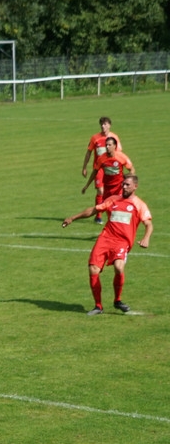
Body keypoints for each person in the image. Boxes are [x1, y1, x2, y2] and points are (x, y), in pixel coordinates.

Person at [61, 174, 152, 315]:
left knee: (119, 267)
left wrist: (146, 238)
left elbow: (148, 224)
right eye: (123, 184)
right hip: (105, 238)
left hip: (122, 241)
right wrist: (73, 218)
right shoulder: (113, 199)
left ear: (135, 186)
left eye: (127, 185)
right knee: (93, 269)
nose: (124, 187)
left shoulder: (139, 204)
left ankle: (117, 300)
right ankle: (98, 306)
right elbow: (94, 210)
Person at [81, 116, 122, 222]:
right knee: (100, 191)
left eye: (105, 124)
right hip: (99, 168)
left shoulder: (115, 138)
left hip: (110, 168)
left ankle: (112, 214)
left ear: (109, 125)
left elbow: (119, 154)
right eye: (102, 124)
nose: (103, 126)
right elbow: (88, 152)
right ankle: (98, 216)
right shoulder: (95, 138)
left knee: (112, 192)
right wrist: (84, 167)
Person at [82, 136, 133, 203]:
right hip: (107, 188)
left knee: (118, 206)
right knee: (107, 206)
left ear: (115, 146)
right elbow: (94, 172)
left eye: (109, 145)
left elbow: (132, 170)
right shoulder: (101, 159)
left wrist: (127, 181)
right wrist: (87, 185)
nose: (107, 147)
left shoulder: (121, 157)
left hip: (119, 188)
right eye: (106, 145)